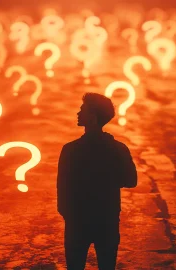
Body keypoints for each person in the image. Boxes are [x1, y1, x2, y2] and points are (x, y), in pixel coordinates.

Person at [57, 93, 137, 270]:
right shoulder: (118, 149)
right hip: (106, 220)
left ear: (92, 118)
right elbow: (131, 180)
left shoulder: (70, 150)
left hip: (77, 222)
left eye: (82, 110)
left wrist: (68, 215)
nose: (78, 113)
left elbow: (62, 189)